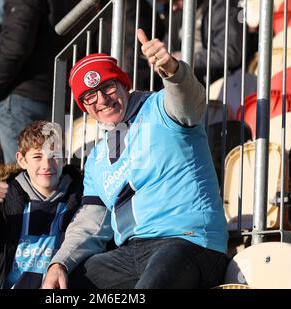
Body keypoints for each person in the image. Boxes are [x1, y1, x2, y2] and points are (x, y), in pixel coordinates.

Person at [42, 29, 228, 289]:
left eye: (107, 86)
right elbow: (90, 222)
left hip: (188, 241)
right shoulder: (97, 158)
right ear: (84, 107)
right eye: (90, 96)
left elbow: (190, 101)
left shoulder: (162, 107)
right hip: (131, 253)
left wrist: (172, 71)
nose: (103, 100)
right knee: (69, 286)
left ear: (123, 83)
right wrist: (59, 263)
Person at [0, 120, 83, 289]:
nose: (46, 165)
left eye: (54, 156)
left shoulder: (80, 193)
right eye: (37, 156)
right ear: (22, 160)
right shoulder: (5, 195)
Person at [0, 0, 78, 164]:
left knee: (26, 178)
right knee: (47, 174)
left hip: (24, 97)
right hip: (53, 92)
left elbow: (15, 44)